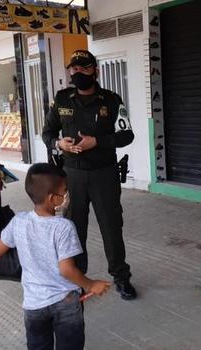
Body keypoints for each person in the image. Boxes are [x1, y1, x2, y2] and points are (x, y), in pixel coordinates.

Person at [0, 163, 111, 349]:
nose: (67, 195)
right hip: (66, 302)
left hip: (34, 305)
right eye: (65, 191)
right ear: (52, 199)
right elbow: (66, 270)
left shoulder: (19, 222)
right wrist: (91, 285)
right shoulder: (63, 227)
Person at [42, 50, 137, 300]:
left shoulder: (111, 100)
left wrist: (98, 141)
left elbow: (127, 135)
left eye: (84, 68)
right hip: (71, 176)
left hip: (104, 174)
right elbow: (48, 132)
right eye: (74, 68)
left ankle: (121, 277)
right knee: (73, 230)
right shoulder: (62, 99)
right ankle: (77, 279)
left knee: (111, 226)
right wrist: (58, 144)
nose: (78, 73)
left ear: (95, 70)